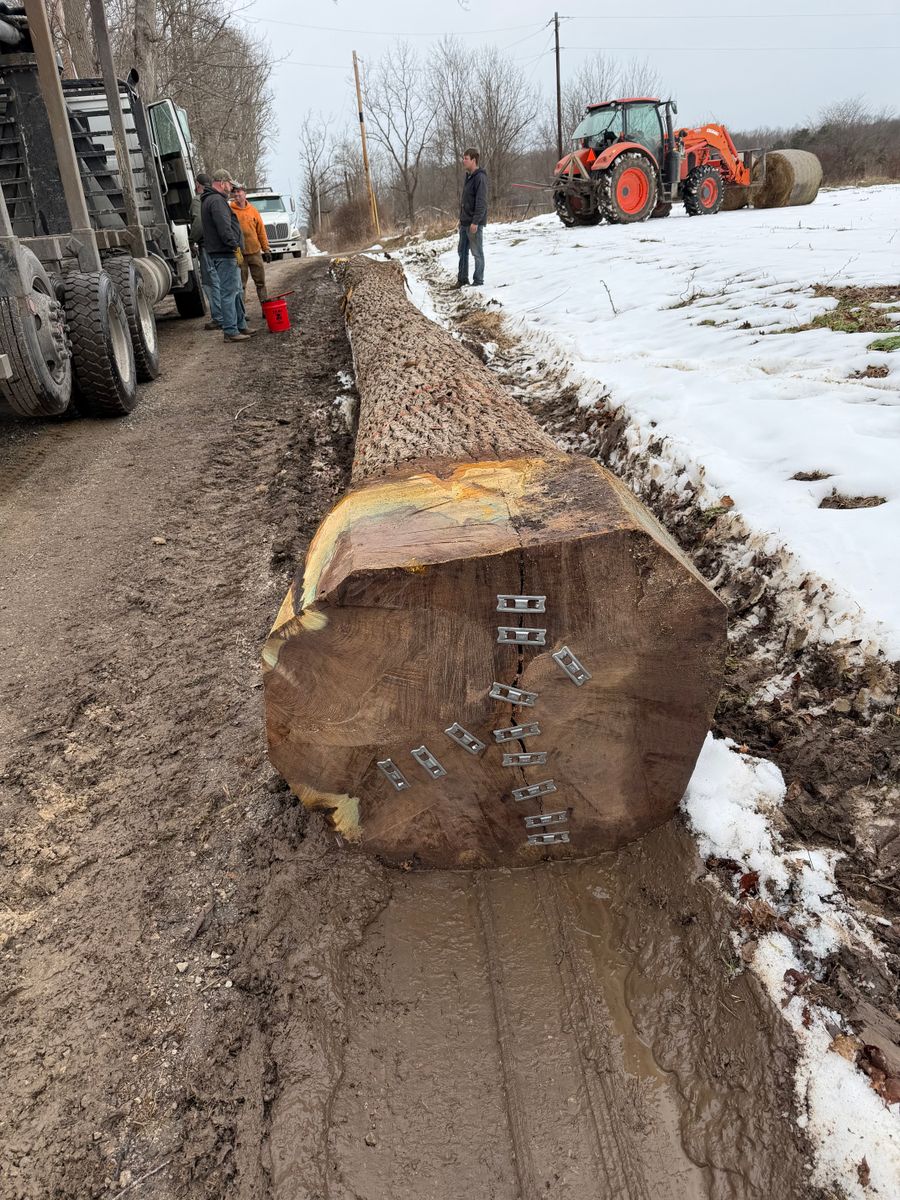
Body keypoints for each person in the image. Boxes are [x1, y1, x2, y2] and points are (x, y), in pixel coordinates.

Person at [200, 169, 253, 343]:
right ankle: (231, 330)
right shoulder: (216, 201)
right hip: (225, 252)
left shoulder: (214, 200)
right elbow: (224, 228)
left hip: (225, 252)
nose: (230, 188)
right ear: (221, 183)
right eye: (229, 184)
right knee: (229, 292)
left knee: (236, 290)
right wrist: (234, 246)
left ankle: (240, 325)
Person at [189, 172, 222, 330]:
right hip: (219, 246)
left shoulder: (198, 199)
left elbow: (199, 223)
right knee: (223, 281)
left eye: (196, 184)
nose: (195, 186)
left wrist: (191, 241)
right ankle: (229, 315)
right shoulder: (218, 197)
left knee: (210, 282)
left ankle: (218, 317)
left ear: (199, 185)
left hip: (207, 247)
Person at [230, 184, 272, 305]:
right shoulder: (230, 210)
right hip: (238, 253)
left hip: (255, 252)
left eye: (239, 192)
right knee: (240, 285)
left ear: (245, 194)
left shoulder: (253, 210)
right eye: (234, 192)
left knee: (261, 283)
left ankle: (266, 308)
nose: (236, 194)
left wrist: (266, 249)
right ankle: (242, 314)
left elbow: (261, 232)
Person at [456, 148, 488, 289]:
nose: (463, 161)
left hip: (474, 223)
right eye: (463, 158)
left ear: (474, 160)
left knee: (477, 252)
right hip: (464, 222)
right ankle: (462, 279)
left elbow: (481, 202)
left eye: (466, 158)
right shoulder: (468, 177)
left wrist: (475, 222)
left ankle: (478, 280)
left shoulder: (480, 177)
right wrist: (461, 219)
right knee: (462, 251)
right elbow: (466, 201)